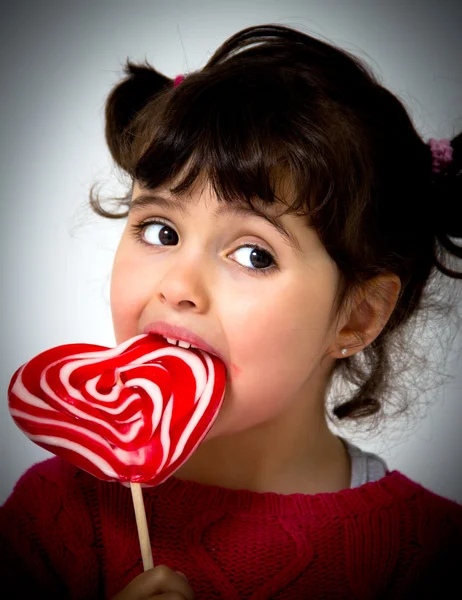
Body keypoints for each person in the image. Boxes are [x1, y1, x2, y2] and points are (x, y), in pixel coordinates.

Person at [1, 23, 461, 600]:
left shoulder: (427, 551)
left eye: (253, 254)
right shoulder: (54, 518)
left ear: (357, 319)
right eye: (161, 230)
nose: (178, 285)